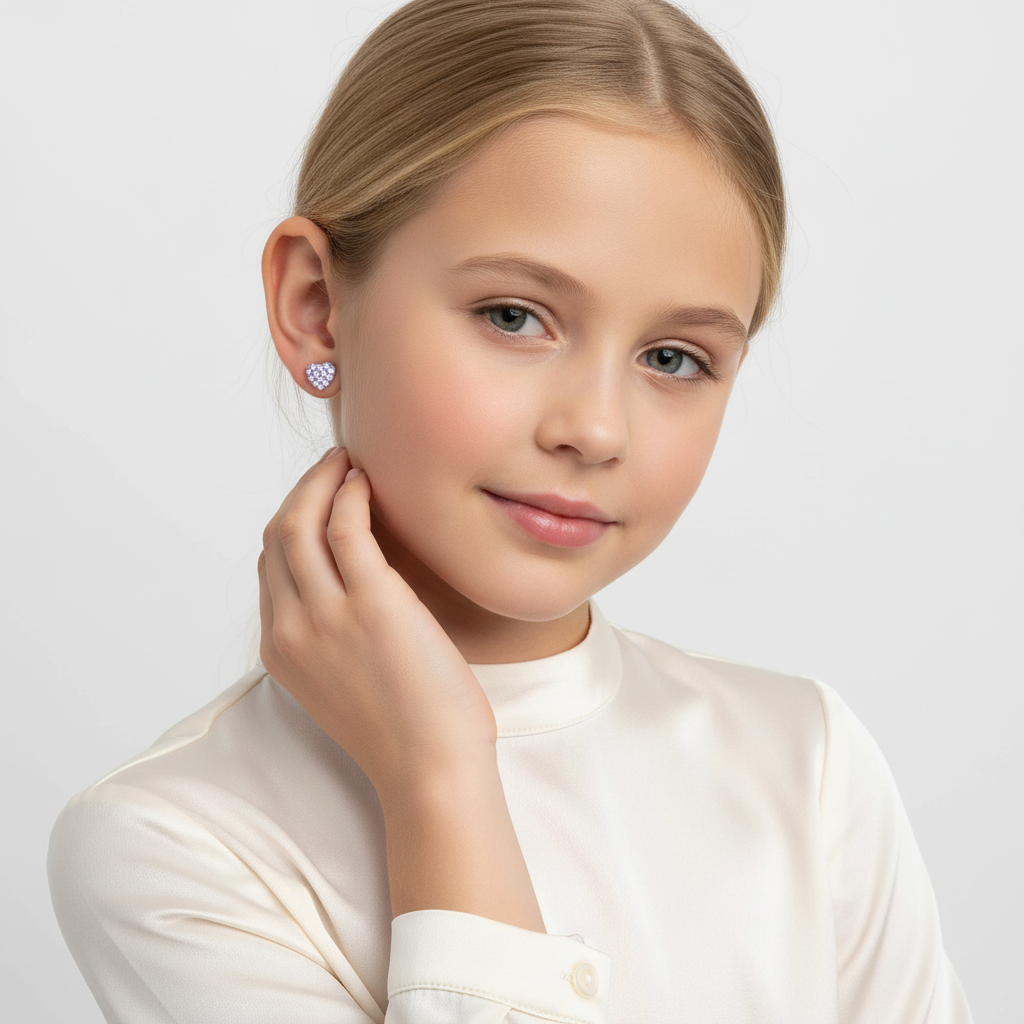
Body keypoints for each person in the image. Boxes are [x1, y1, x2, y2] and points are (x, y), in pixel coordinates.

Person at [46, 0, 973, 1020]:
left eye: (674, 358)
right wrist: (438, 775)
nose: (595, 428)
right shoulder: (177, 844)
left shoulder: (807, 765)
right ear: (315, 303)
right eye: (514, 315)